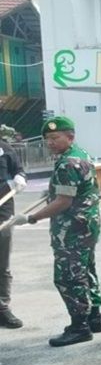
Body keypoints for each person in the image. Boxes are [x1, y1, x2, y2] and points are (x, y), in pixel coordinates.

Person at [10, 116, 101, 346]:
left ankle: (79, 326)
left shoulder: (67, 163)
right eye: (47, 139)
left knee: (68, 278)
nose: (50, 142)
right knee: (86, 271)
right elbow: (75, 190)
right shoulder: (80, 154)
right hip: (87, 227)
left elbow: (63, 202)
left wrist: (31, 217)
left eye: (55, 137)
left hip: (71, 230)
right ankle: (94, 318)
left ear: (69, 137)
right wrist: (51, 193)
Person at [0, 138, 26, 329]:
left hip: (3, 205)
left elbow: (17, 168)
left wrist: (20, 177)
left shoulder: (4, 147)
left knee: (2, 260)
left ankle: (2, 308)